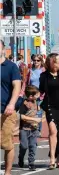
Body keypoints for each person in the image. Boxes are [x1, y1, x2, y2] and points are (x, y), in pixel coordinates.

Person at [0, 40, 21, 175]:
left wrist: (12, 103)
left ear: (3, 49)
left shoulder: (11, 66)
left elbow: (17, 86)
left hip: (5, 111)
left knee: (6, 144)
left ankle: (7, 173)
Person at [18, 85, 42, 171]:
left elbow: (38, 111)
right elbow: (22, 116)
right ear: (30, 96)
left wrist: (38, 120)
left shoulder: (36, 101)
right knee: (24, 146)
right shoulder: (25, 104)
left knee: (33, 146)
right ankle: (21, 157)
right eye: (36, 94)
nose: (38, 95)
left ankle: (31, 163)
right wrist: (34, 119)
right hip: (24, 129)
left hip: (33, 129)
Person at [22, 54, 45, 136]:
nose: (36, 62)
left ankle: (38, 130)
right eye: (34, 60)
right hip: (31, 95)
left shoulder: (43, 70)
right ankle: (31, 129)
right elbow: (25, 82)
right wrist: (22, 92)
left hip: (40, 95)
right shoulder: (30, 70)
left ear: (41, 61)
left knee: (38, 112)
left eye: (38, 60)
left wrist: (43, 93)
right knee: (31, 112)